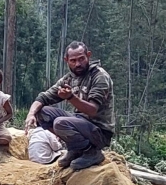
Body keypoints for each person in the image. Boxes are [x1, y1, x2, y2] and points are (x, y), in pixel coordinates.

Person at [24, 41, 114, 171]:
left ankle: (91, 152)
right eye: (73, 60)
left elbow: (92, 110)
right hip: (80, 122)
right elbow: (44, 97)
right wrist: (31, 114)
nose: (77, 64)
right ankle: (76, 149)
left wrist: (71, 97)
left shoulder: (99, 76)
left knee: (60, 123)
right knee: (41, 113)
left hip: (99, 130)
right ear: (66, 60)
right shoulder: (69, 79)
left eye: (81, 59)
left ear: (88, 55)